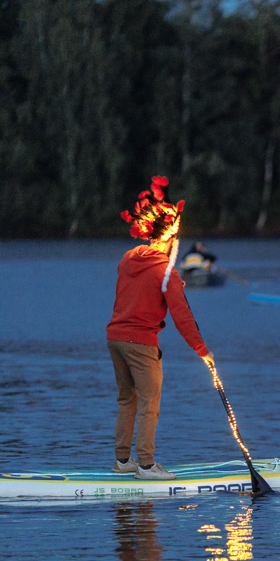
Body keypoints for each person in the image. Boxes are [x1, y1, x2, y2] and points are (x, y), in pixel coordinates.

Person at [107, 176, 214, 481]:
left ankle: (123, 461)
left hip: (114, 338)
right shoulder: (165, 272)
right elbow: (182, 316)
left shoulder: (127, 258)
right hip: (141, 342)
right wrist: (202, 351)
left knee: (127, 399)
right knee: (149, 403)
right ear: (169, 238)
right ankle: (146, 466)